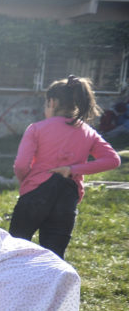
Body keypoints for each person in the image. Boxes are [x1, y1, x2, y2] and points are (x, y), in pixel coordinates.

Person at [8, 75, 121, 259]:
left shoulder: (36, 128)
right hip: (67, 198)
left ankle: (12, 285)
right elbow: (113, 160)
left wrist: (26, 181)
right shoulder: (88, 132)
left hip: (34, 195)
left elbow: (21, 164)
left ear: (51, 102)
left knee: (15, 249)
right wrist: (73, 169)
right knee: (55, 256)